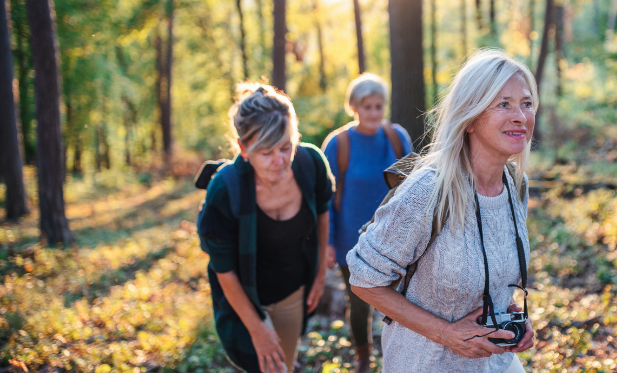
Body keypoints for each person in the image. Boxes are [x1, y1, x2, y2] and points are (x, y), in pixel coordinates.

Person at [346, 49, 537, 373]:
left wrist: (512, 314)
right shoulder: (428, 191)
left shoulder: (516, 185)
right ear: (471, 117)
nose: (520, 115)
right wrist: (448, 334)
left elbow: (490, 272)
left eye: (527, 103)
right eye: (503, 104)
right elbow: (364, 279)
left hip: (497, 363)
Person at [197, 84, 334, 373]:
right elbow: (224, 270)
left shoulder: (311, 164)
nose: (280, 161)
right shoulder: (225, 189)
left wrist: (320, 273)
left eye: (286, 147)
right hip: (243, 297)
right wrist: (257, 329)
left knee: (282, 363)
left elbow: (322, 215)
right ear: (244, 149)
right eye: (266, 152)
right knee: (256, 363)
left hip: (292, 292)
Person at [321, 73, 413, 373]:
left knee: (401, 302)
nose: (373, 113)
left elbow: (415, 187)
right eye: (367, 107)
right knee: (360, 303)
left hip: (395, 237)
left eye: (378, 106)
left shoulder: (397, 137)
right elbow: (326, 198)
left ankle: (398, 356)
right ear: (355, 107)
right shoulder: (338, 144)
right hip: (353, 240)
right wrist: (329, 243)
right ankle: (363, 357)